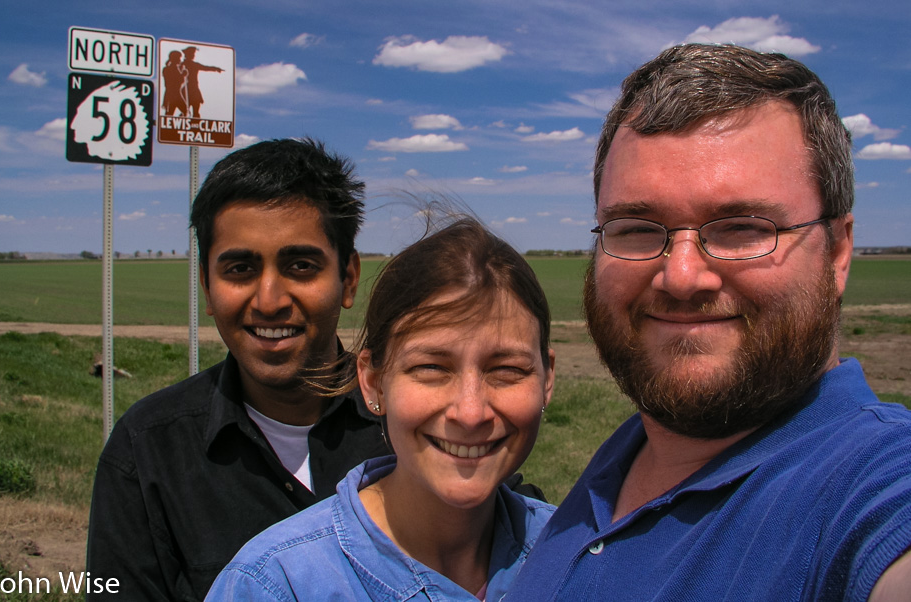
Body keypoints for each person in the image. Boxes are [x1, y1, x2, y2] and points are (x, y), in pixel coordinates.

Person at [508, 43, 911, 601]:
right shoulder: (636, 448)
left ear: (838, 253)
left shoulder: (873, 487)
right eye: (636, 227)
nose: (681, 276)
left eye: (743, 227)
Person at [86, 138, 390, 601]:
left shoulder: (413, 424)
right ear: (207, 288)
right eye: (240, 269)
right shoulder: (146, 453)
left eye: (301, 265)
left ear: (348, 278)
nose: (269, 300)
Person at [206, 217, 557, 600]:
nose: (470, 413)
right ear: (373, 383)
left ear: (547, 379)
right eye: (431, 368)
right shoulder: (273, 586)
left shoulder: (579, 557)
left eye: (506, 370)